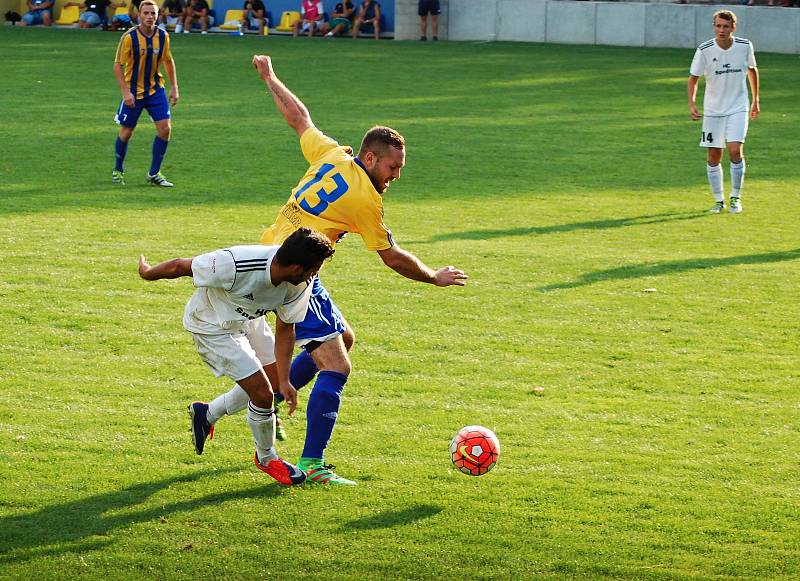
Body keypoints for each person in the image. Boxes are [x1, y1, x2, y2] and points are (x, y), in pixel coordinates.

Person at [189, 54, 468, 487]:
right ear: (372, 158)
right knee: (337, 366)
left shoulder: (333, 155)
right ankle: (313, 462)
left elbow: (299, 118)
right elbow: (390, 256)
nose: (395, 176)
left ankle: (214, 410)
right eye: (393, 168)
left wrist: (271, 77)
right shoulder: (365, 200)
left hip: (273, 259)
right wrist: (433, 276)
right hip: (294, 275)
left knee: (345, 340)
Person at [139, 227, 336, 485]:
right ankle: (267, 458)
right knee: (263, 395)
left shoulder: (299, 283)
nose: (315, 275)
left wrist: (286, 380)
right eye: (314, 269)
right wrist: (147, 273)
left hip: (249, 321)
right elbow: (179, 267)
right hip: (211, 326)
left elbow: (286, 327)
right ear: (297, 268)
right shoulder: (235, 263)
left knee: (273, 383)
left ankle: (206, 414)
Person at [688, 10, 759, 214]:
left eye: (725, 26)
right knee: (713, 155)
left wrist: (756, 100)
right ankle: (718, 201)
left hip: (738, 106)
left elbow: (752, 70)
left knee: (735, 149)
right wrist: (692, 104)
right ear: (714, 27)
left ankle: (735, 198)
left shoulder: (745, 46)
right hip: (713, 111)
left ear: (733, 28)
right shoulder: (704, 50)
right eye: (718, 26)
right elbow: (693, 78)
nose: (721, 30)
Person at [112, 0, 179, 187]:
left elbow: (168, 60)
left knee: (165, 129)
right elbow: (118, 65)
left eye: (153, 14)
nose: (150, 17)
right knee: (126, 133)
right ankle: (118, 169)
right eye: (146, 13)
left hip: (155, 89)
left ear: (158, 16)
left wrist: (174, 87)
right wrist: (125, 92)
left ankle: (154, 173)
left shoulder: (163, 36)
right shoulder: (129, 37)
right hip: (133, 90)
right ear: (139, 15)